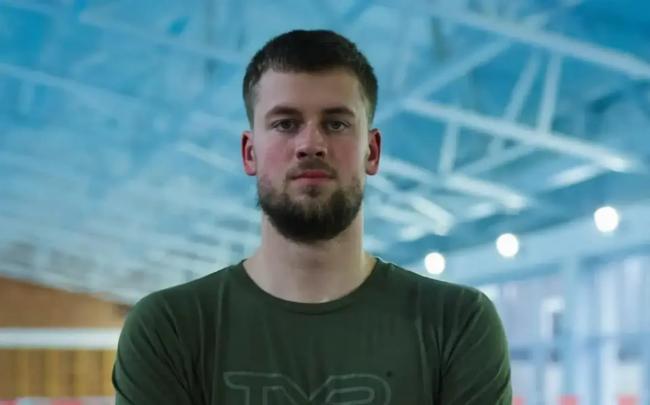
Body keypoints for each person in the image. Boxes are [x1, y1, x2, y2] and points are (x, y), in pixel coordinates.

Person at [112, 29, 512, 404]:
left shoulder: (455, 324)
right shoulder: (170, 329)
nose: (310, 144)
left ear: (372, 151)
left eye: (336, 124)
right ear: (249, 153)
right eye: (285, 124)